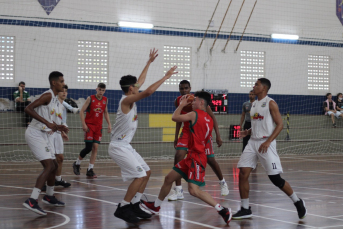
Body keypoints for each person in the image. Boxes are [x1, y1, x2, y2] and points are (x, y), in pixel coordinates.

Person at [142, 91, 232, 225]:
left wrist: (182, 104)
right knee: (169, 178)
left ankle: (222, 210)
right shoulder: (208, 119)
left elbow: (174, 117)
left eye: (195, 100)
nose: (192, 102)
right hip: (192, 156)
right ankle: (156, 206)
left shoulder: (194, 114)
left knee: (193, 190)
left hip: (197, 158)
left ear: (201, 102)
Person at [110, 49, 178, 224]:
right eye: (136, 86)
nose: (138, 85)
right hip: (118, 146)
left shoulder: (131, 94)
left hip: (125, 145)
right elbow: (147, 91)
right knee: (139, 176)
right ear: (131, 89)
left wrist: (149, 62)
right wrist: (166, 77)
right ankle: (123, 207)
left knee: (146, 172)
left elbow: (141, 81)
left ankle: (134, 204)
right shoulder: (126, 100)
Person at [232, 78, 307, 220]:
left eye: (256, 84)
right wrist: (247, 132)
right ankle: (245, 208)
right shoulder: (253, 104)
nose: (254, 86)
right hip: (252, 142)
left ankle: (297, 201)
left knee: (275, 179)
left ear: (264, 88)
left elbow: (279, 125)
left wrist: (268, 141)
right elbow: (257, 124)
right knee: (242, 173)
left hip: (266, 143)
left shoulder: (271, 103)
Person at [169, 80, 229, 201]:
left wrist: (218, 135)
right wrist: (176, 137)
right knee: (178, 156)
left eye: (186, 88)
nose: (184, 90)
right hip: (187, 131)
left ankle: (222, 182)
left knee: (210, 160)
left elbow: (213, 118)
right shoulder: (178, 101)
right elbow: (178, 120)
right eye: (181, 88)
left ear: (190, 88)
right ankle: (178, 190)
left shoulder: (198, 101)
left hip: (201, 132)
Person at [22, 71, 68, 216]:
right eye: (61, 81)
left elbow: (48, 119)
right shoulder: (48, 95)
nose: (63, 83)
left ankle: (49, 196)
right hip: (35, 133)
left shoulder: (55, 99)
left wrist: (58, 127)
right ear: (54, 83)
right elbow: (28, 108)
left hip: (44, 134)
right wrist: (47, 123)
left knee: (54, 165)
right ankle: (32, 200)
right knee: (49, 166)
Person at [73, 83, 111, 178]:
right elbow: (82, 111)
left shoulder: (105, 100)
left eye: (103, 90)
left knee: (95, 148)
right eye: (100, 89)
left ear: (104, 91)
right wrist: (84, 124)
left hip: (99, 127)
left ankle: (90, 169)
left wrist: (109, 124)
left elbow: (105, 112)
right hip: (89, 126)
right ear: (96, 89)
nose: (101, 92)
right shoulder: (90, 98)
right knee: (89, 147)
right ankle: (77, 163)